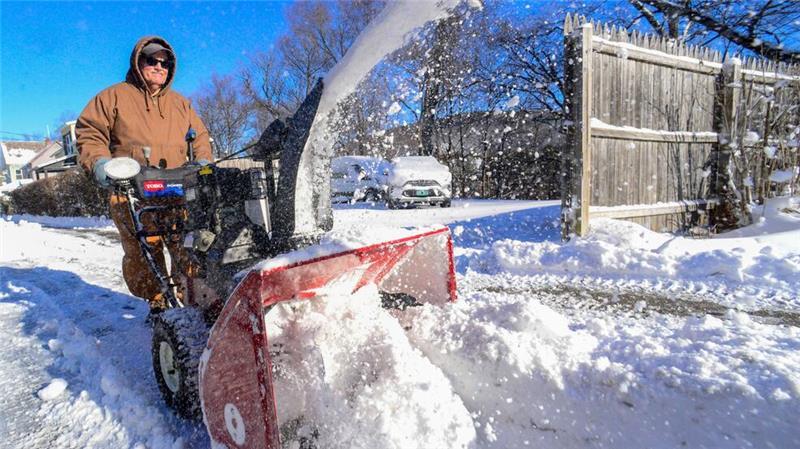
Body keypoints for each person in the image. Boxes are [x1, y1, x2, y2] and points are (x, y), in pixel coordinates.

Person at [76, 36, 212, 314]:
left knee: (188, 244)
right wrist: (100, 164)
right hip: (132, 190)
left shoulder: (180, 104)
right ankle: (158, 303)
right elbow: (90, 134)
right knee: (144, 251)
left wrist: (203, 163)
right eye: (152, 60)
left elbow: (200, 137)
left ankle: (192, 297)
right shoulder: (113, 97)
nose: (159, 66)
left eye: (165, 62)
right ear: (138, 62)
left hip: (177, 187)